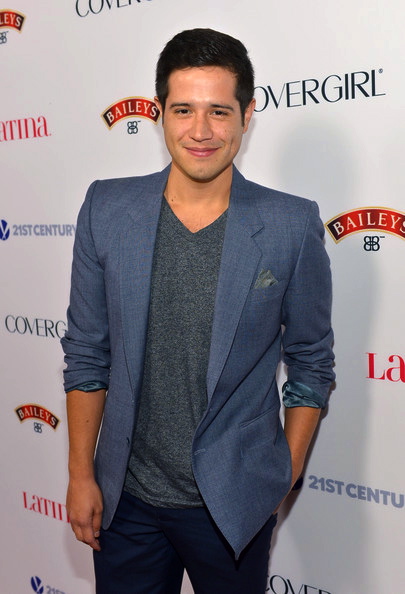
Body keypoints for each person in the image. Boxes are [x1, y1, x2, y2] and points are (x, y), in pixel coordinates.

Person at [61, 28, 334, 594]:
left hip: (234, 504)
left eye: (219, 111)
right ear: (159, 113)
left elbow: (310, 361)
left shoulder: (289, 224)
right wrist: (81, 473)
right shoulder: (106, 209)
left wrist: (284, 473)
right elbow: (88, 353)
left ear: (247, 115)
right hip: (125, 502)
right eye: (183, 110)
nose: (201, 131)